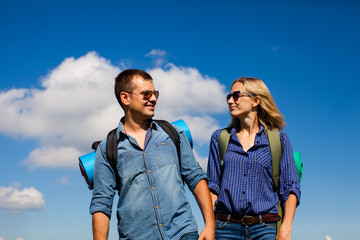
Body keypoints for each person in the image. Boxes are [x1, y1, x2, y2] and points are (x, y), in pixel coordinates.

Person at [89, 69, 215, 240]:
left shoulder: (173, 133)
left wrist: (210, 225)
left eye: (155, 93)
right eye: (146, 94)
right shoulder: (107, 149)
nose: (154, 99)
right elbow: (102, 204)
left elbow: (195, 177)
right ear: (125, 98)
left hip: (183, 233)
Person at [207, 77, 301, 240]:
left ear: (256, 100)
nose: (230, 101)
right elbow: (213, 187)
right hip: (225, 229)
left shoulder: (278, 139)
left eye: (236, 95)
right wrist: (209, 225)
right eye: (228, 97)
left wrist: (286, 227)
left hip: (265, 229)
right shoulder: (220, 138)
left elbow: (290, 187)